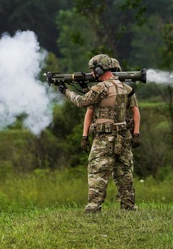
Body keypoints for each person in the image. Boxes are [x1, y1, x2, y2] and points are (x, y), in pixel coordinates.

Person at [59, 54, 140, 213]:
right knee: (124, 173)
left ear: (99, 68)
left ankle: (93, 208)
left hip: (105, 138)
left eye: (93, 70)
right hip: (122, 136)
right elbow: (100, 103)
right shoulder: (125, 87)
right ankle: (129, 207)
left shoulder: (101, 87)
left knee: (97, 171)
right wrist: (136, 133)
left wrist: (65, 91)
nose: (92, 73)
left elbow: (82, 102)